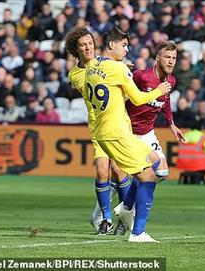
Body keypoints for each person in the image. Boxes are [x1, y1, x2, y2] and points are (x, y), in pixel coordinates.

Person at [85, 27, 171, 242]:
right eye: (123, 45)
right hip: (116, 132)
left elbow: (106, 76)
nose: (126, 49)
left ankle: (125, 207)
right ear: (111, 45)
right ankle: (138, 232)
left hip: (105, 130)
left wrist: (121, 69)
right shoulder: (119, 70)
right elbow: (139, 99)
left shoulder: (93, 65)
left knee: (155, 162)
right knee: (148, 176)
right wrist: (159, 91)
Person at [65, 27, 129, 235]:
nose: (88, 47)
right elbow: (95, 84)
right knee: (102, 170)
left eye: (90, 43)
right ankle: (106, 219)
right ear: (76, 50)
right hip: (97, 126)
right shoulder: (76, 74)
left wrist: (121, 70)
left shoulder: (108, 63)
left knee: (119, 171)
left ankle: (126, 217)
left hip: (117, 124)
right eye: (83, 45)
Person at [126, 40, 185, 179]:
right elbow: (122, 87)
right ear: (157, 58)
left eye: (173, 58)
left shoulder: (171, 81)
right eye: (167, 57)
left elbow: (166, 100)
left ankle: (127, 201)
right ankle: (108, 199)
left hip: (147, 132)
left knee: (162, 172)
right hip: (128, 131)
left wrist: (171, 123)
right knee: (121, 176)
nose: (171, 62)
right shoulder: (141, 76)